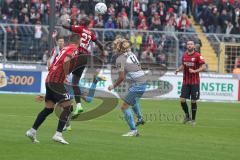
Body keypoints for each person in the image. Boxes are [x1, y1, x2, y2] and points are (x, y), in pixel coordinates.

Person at [25, 34, 81, 144]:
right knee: (68, 107)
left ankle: (32, 131)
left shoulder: (65, 48)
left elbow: (55, 62)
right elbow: (66, 61)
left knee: (48, 109)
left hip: (49, 79)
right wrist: (64, 76)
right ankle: (58, 134)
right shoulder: (73, 49)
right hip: (56, 81)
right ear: (78, 41)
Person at [62, 16, 106, 116]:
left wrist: (67, 21)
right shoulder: (91, 33)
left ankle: (67, 100)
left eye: (80, 20)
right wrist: (103, 52)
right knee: (75, 82)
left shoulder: (80, 28)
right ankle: (78, 106)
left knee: (63, 73)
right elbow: (100, 45)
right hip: (85, 57)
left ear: (82, 22)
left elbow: (64, 26)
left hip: (77, 55)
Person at [108, 38, 147, 137]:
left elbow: (121, 77)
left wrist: (113, 86)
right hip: (141, 81)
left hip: (138, 84)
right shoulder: (131, 53)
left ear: (119, 47)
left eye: (116, 45)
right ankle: (140, 118)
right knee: (133, 101)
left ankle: (133, 130)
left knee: (124, 106)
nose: (114, 48)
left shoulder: (120, 59)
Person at [175, 40, 206, 125]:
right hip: (186, 81)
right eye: (188, 44)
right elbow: (183, 65)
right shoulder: (184, 55)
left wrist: (195, 71)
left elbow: (203, 67)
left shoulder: (198, 56)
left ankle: (193, 119)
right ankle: (187, 116)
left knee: (193, 101)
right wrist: (178, 69)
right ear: (186, 46)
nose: (189, 45)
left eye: (191, 44)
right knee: (182, 99)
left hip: (195, 82)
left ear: (193, 46)